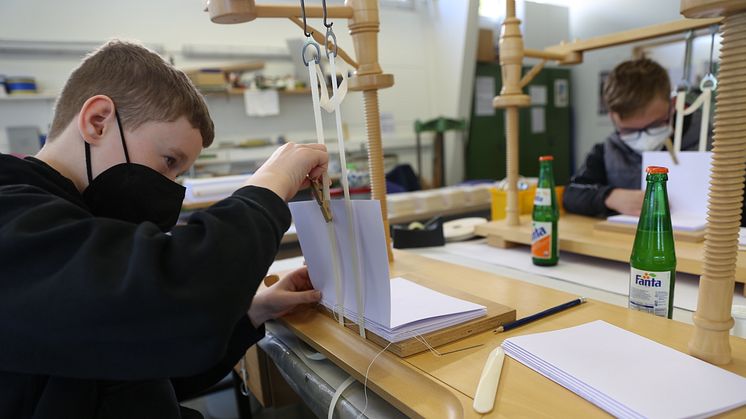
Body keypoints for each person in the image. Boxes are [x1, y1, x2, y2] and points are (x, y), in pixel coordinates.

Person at [0, 40, 329, 418]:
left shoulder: (74, 219)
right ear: (97, 121)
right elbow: (163, 290)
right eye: (168, 160)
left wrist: (253, 312)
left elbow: (139, 359)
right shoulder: (10, 215)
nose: (170, 184)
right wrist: (268, 188)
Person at [563, 58, 709, 217]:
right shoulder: (608, 152)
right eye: (629, 130)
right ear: (612, 117)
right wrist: (610, 196)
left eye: (655, 125)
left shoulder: (709, 141)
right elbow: (572, 193)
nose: (645, 139)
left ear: (673, 105)